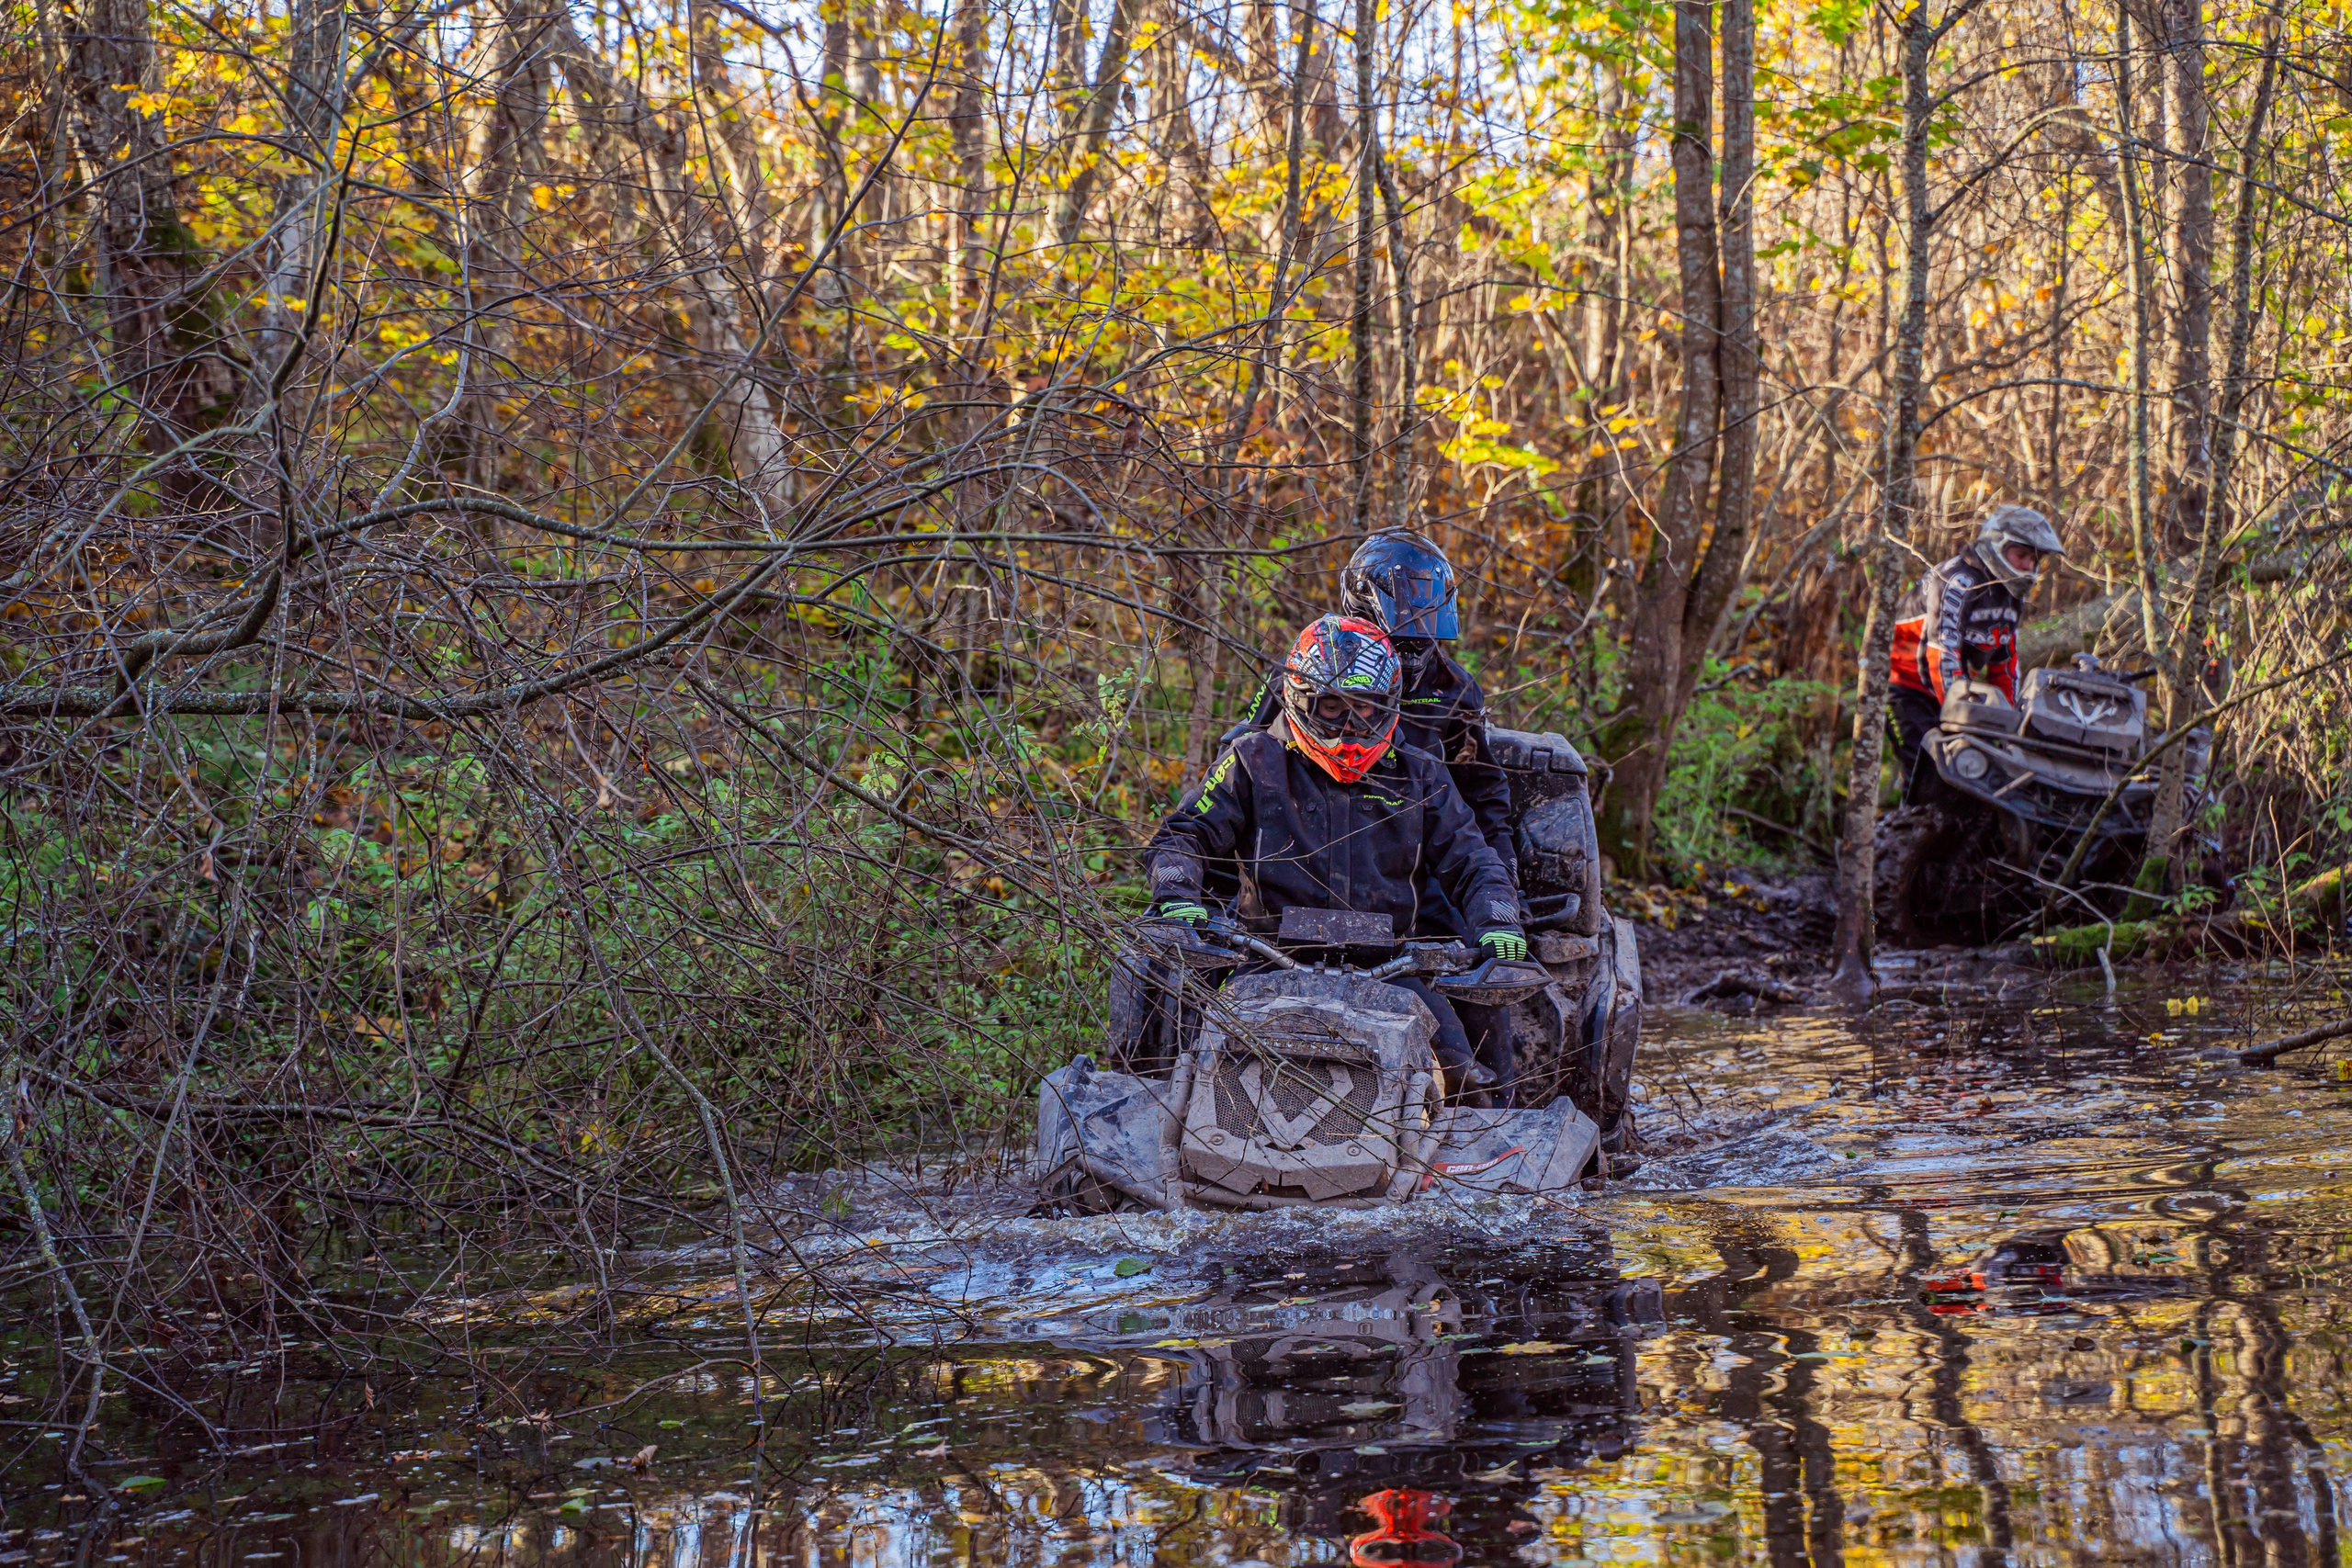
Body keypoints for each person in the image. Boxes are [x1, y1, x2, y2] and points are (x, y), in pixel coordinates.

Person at [1147, 615, 1528, 1095]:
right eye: (1331, 706)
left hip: (1393, 972)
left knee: (1471, 1084)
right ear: (1301, 701)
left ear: (1389, 704)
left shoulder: (1422, 774)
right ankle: (1150, 1099)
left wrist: (1499, 923)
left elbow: (1475, 861)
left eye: (1365, 708)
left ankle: (1494, 1155)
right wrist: (1178, 897)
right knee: (1183, 1061)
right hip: (1266, 962)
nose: (1350, 724)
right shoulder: (1252, 759)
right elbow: (1184, 834)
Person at [1236, 529, 1518, 915]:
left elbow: (1482, 794)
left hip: (1418, 865)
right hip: (1304, 855)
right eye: (1403, 636)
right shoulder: (1309, 674)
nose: (1415, 646)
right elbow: (1242, 761)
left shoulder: (1453, 689)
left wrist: (1502, 886)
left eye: (1425, 633)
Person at [1888, 503, 2066, 800]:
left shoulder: (2011, 597)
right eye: (2022, 556)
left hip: (1951, 692)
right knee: (1930, 774)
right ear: (1997, 545)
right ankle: (1904, 836)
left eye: (2035, 560)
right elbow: (1942, 652)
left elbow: (2005, 664)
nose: (2028, 567)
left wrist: (2010, 729)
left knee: (1982, 777)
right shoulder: (1957, 581)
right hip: (1906, 689)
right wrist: (1961, 723)